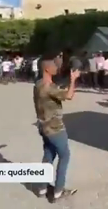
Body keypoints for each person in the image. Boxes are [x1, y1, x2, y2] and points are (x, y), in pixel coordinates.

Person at [33, 54, 80, 201]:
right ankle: (58, 191)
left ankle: (42, 188)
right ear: (47, 69)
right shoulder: (49, 87)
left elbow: (56, 94)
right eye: (53, 66)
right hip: (55, 128)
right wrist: (73, 80)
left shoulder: (38, 84)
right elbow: (69, 95)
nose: (56, 67)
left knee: (48, 155)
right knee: (64, 156)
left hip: (43, 126)